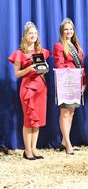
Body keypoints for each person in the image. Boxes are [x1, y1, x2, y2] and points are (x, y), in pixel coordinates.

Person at [8, 21, 51, 160]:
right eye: (30, 33)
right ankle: (27, 151)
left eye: (34, 33)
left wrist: (45, 69)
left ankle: (34, 149)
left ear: (37, 35)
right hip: (27, 89)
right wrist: (28, 69)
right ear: (25, 36)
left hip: (41, 87)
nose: (33, 35)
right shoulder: (20, 53)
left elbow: (44, 68)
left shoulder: (42, 51)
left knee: (37, 120)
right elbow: (17, 74)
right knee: (29, 120)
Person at [53, 18, 87, 155]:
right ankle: (68, 144)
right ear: (62, 31)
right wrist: (72, 73)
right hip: (65, 83)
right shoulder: (59, 46)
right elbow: (59, 65)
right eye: (66, 29)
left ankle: (63, 141)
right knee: (65, 113)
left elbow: (82, 66)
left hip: (76, 83)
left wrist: (83, 82)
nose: (69, 31)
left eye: (71, 29)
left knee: (71, 113)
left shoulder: (76, 46)